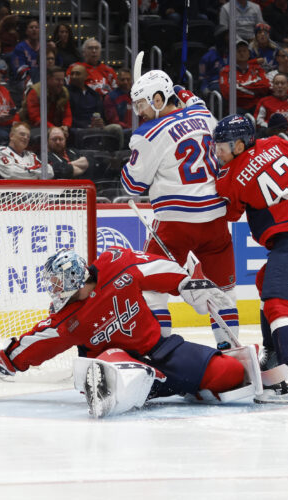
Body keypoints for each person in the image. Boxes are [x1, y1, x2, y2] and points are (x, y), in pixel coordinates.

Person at [0, 247, 257, 418]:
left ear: (75, 279)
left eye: (58, 283)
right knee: (113, 361)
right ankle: (106, 388)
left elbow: (155, 267)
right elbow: (27, 348)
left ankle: (190, 385)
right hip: (122, 367)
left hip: (162, 352)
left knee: (231, 372)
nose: (54, 290)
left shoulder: (117, 264)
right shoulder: (65, 321)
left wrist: (185, 283)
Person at [213, 114, 288, 404]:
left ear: (240, 145)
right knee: (265, 281)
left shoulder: (231, 175)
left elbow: (230, 214)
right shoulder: (279, 143)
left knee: (278, 304)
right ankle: (272, 355)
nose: (217, 152)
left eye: (222, 146)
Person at [120, 70, 238, 351]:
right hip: (216, 220)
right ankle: (231, 351)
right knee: (224, 291)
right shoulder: (206, 115)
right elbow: (191, 99)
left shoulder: (146, 134)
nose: (140, 112)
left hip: (176, 224)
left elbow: (132, 186)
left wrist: (131, 162)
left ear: (158, 99)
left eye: (142, 104)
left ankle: (161, 351)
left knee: (152, 287)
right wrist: (181, 91)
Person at [219, 38, 270, 114]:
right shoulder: (226, 71)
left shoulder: (257, 69)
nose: (242, 53)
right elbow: (228, 93)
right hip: (237, 107)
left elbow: (266, 87)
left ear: (249, 54)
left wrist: (240, 86)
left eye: (244, 51)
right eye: (239, 51)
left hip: (256, 106)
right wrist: (254, 91)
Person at [19, 65, 72, 133]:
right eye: (58, 80)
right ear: (47, 79)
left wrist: (65, 126)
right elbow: (35, 118)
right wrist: (54, 129)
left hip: (56, 128)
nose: (61, 83)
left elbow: (67, 115)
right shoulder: (35, 92)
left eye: (62, 80)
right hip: (34, 127)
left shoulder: (64, 92)